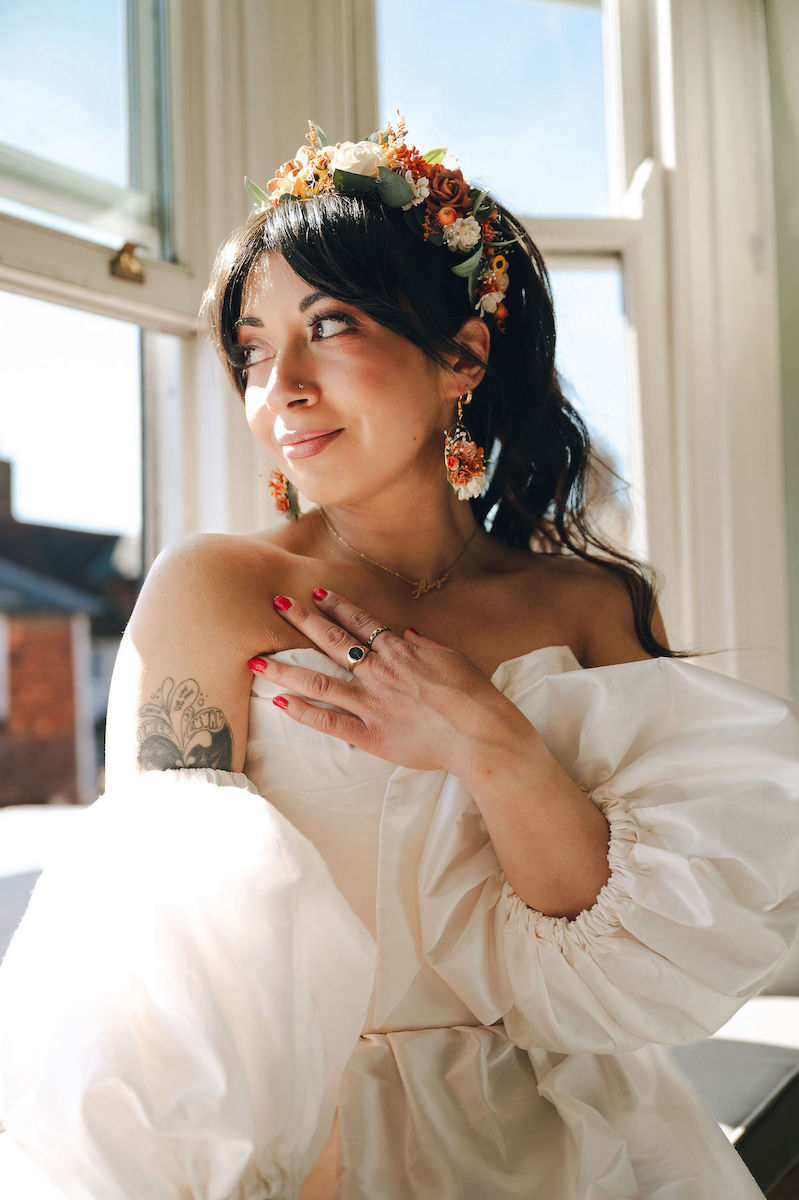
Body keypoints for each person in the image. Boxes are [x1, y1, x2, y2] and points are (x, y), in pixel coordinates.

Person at [1, 118, 798, 1200]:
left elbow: (620, 971)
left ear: (461, 355)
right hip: (303, 1150)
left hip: (572, 1149)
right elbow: (153, 978)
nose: (276, 383)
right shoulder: (216, 592)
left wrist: (492, 745)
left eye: (328, 326)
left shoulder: (592, 605)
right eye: (250, 345)